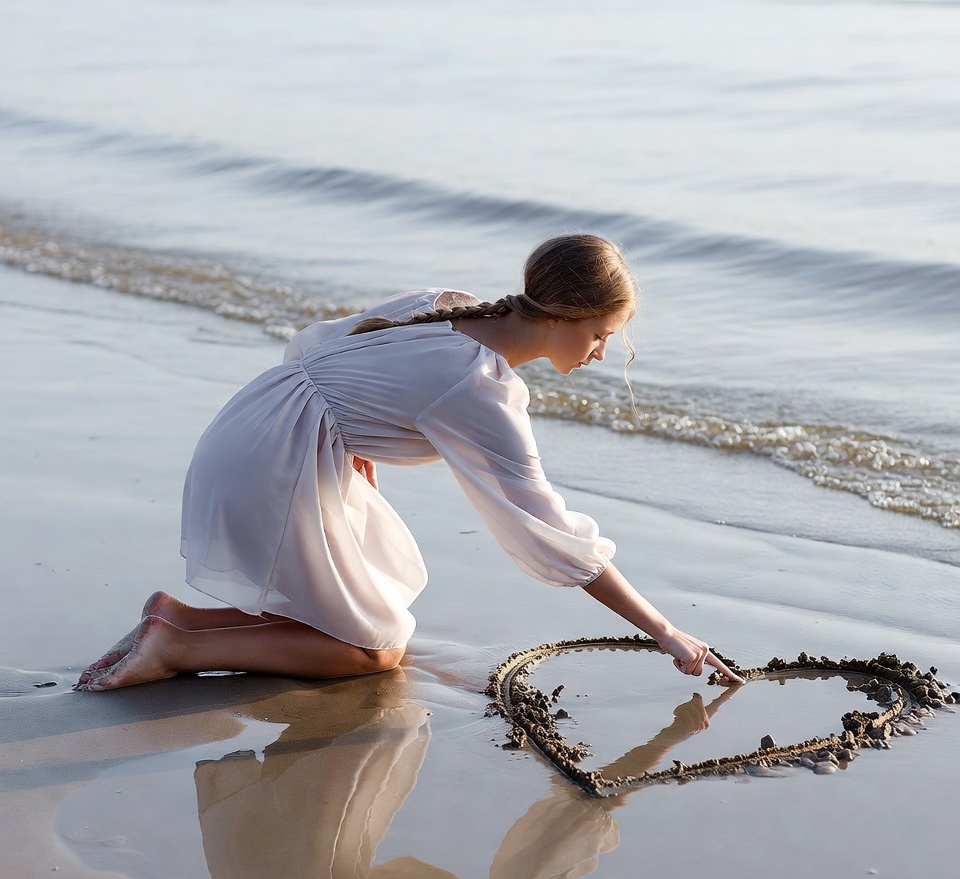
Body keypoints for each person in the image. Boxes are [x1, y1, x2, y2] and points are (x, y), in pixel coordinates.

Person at [75, 234, 743, 691]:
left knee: (361, 610)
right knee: (372, 651)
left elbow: (318, 352)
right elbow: (553, 530)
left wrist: (352, 447)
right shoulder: (480, 388)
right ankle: (180, 647)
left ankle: (179, 619)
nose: (601, 352)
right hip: (271, 465)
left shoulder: (444, 305)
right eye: (601, 334)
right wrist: (665, 630)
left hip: (253, 427)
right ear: (561, 316)